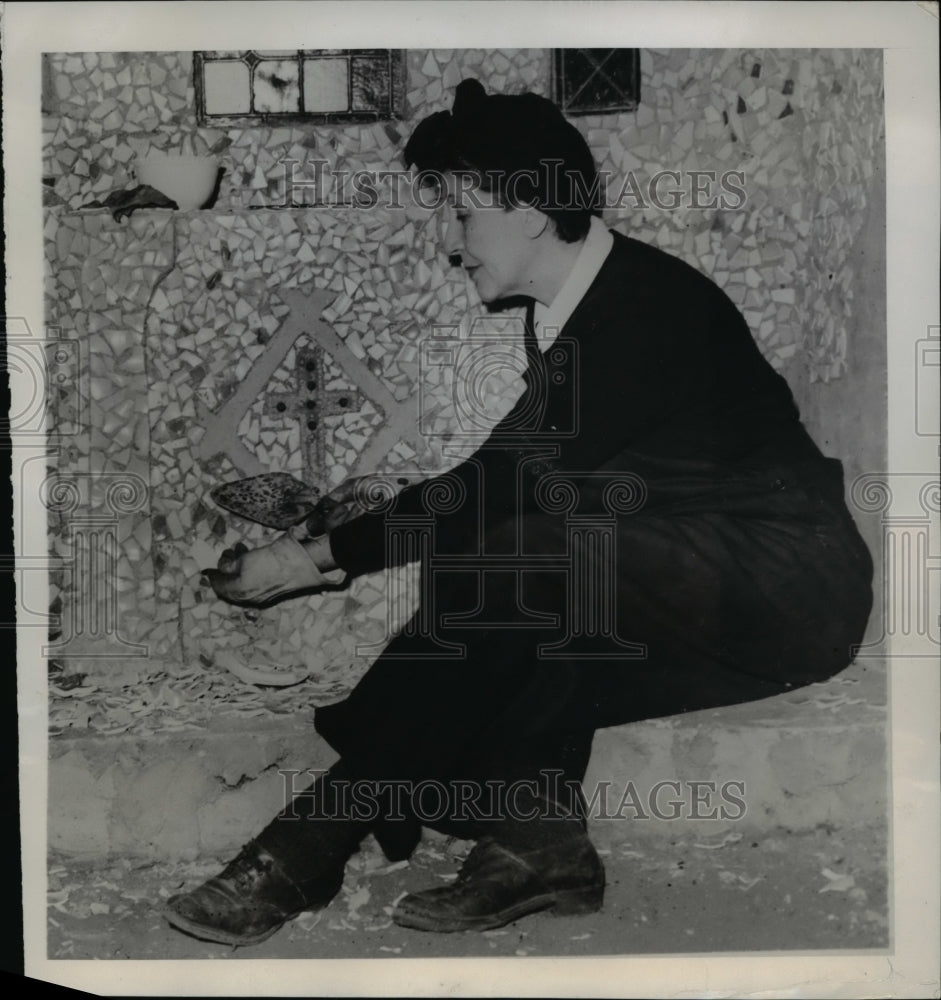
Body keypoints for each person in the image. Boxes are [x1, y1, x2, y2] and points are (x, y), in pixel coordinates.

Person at [164, 78, 873, 945]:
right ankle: (539, 844)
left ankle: (314, 840)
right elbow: (500, 493)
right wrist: (326, 553)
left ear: (531, 207)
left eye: (460, 213)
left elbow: (496, 482)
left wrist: (306, 558)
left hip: (786, 588)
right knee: (499, 569)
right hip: (694, 573)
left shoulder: (646, 312)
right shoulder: (592, 301)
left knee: (513, 553)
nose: (446, 242)